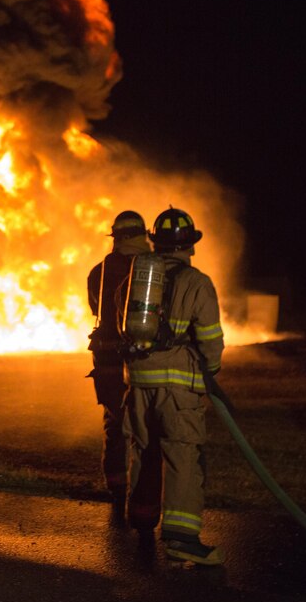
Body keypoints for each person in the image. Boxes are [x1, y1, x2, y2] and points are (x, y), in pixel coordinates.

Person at [117, 207, 225, 565]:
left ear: (155, 242)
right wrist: (210, 369)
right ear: (190, 246)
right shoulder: (197, 282)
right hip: (178, 388)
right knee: (181, 455)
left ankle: (143, 518)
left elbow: (124, 322)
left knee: (144, 449)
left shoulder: (136, 278)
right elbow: (210, 338)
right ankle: (181, 539)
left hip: (139, 381)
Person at [86, 210, 151, 502]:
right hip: (143, 357)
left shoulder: (98, 272)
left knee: (114, 421)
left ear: (116, 237)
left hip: (107, 357)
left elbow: (96, 309)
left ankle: (116, 485)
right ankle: (146, 492)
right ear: (142, 234)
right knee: (146, 423)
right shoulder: (152, 269)